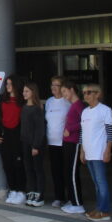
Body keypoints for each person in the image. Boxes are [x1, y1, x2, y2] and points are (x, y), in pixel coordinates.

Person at [80, 84, 112, 221]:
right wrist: (82, 151)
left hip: (99, 152)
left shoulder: (105, 110)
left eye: (89, 92)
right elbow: (83, 133)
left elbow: (110, 133)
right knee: (96, 182)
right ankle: (99, 208)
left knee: (101, 182)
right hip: (89, 152)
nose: (86, 95)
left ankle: (104, 210)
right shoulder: (85, 112)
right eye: (84, 93)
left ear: (97, 94)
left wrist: (108, 150)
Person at [0, 75, 26, 204]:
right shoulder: (1, 99)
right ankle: (13, 190)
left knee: (18, 165)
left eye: (10, 84)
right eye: (7, 84)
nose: (8, 86)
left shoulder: (22, 100)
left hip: (18, 138)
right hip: (4, 137)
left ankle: (21, 191)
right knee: (7, 165)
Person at [60, 80, 86, 214]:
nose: (63, 94)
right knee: (68, 172)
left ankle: (77, 203)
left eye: (64, 91)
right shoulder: (73, 105)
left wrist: (70, 129)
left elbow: (85, 121)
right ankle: (72, 199)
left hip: (74, 142)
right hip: (68, 142)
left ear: (71, 89)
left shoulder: (78, 105)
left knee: (72, 173)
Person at [45, 75, 71, 207]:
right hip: (52, 142)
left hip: (65, 143)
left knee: (67, 171)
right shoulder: (49, 101)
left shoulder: (68, 102)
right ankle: (58, 196)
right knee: (55, 171)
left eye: (57, 85)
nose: (54, 87)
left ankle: (70, 197)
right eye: (52, 84)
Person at [20, 81, 46, 206]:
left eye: (26, 91)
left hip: (35, 145)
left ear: (33, 93)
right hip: (25, 143)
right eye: (24, 91)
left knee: (38, 169)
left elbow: (40, 129)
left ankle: (40, 194)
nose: (24, 93)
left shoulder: (37, 109)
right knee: (28, 169)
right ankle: (31, 191)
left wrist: (36, 145)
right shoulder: (24, 108)